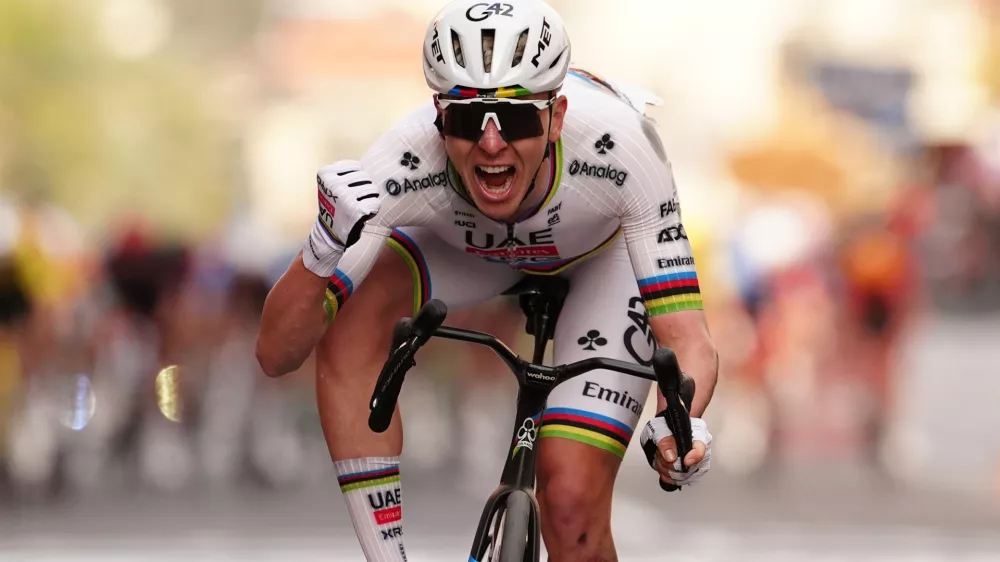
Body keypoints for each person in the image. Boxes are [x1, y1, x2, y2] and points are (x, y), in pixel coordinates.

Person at [256, 1, 718, 560]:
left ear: (556, 116)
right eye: (467, 120)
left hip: (600, 256)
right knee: (350, 315)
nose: (492, 145)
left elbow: (687, 338)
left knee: (570, 503)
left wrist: (679, 424)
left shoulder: (623, 148)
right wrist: (320, 248)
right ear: (438, 116)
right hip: (468, 250)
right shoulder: (400, 164)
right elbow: (276, 355)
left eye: (516, 119)